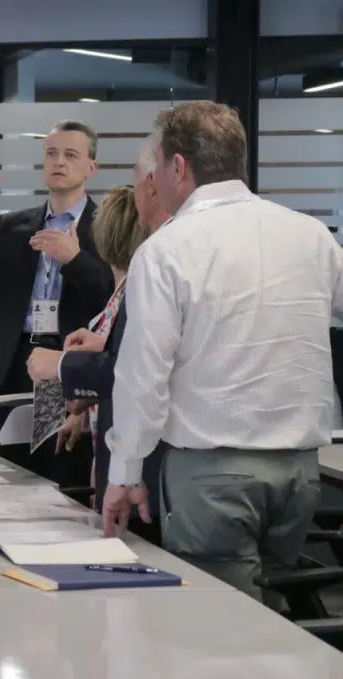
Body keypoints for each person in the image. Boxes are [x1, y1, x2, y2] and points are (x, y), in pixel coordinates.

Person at [102, 100, 342, 600]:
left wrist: (125, 472)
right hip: (300, 473)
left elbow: (144, 375)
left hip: (213, 475)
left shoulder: (166, 250)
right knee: (273, 612)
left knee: (219, 626)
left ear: (178, 166)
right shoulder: (310, 235)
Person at [0, 120, 113, 483]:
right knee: (5, 477)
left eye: (71, 155)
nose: (59, 162)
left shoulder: (107, 228)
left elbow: (115, 298)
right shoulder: (13, 227)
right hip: (13, 363)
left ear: (91, 167)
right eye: (52, 153)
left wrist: (75, 260)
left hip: (67, 364)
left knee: (62, 474)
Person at [26, 141, 171, 543]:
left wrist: (64, 366)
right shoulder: (126, 292)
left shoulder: (140, 287)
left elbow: (135, 370)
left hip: (138, 466)